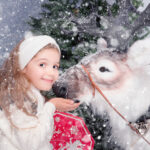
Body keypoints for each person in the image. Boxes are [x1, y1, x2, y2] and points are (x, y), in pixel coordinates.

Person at [0, 33, 80, 150]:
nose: (51, 72)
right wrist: (51, 106)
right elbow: (32, 144)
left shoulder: (31, 97)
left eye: (55, 66)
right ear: (23, 66)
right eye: (42, 64)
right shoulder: (18, 100)